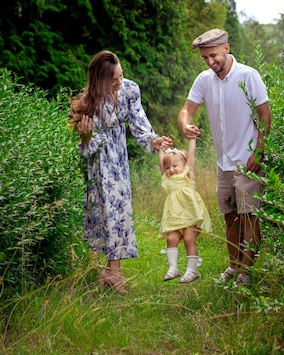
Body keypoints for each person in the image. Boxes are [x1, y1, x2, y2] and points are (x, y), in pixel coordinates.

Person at [70, 50, 172, 295]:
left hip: (119, 159)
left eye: (121, 75)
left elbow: (139, 121)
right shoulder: (90, 101)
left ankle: (111, 270)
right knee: (104, 213)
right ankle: (111, 271)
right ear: (101, 79)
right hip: (99, 161)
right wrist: (85, 136)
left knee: (120, 211)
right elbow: (87, 146)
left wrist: (154, 140)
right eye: (114, 79)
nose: (119, 81)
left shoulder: (130, 90)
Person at [178, 28, 272, 286]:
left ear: (227, 48)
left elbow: (265, 115)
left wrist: (258, 152)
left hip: (248, 162)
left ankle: (247, 272)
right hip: (223, 164)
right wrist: (186, 124)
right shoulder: (204, 80)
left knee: (249, 217)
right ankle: (233, 266)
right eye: (205, 58)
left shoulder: (248, 75)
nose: (210, 62)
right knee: (230, 216)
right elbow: (186, 110)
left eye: (214, 55)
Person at [158, 138, 212, 283]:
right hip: (174, 216)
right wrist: (162, 150)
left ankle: (191, 271)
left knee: (189, 239)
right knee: (171, 239)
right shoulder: (167, 178)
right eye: (168, 168)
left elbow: (191, 155)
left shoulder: (188, 173)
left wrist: (192, 140)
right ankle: (173, 268)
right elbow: (162, 164)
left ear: (184, 165)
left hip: (190, 214)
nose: (171, 170)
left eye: (175, 166)